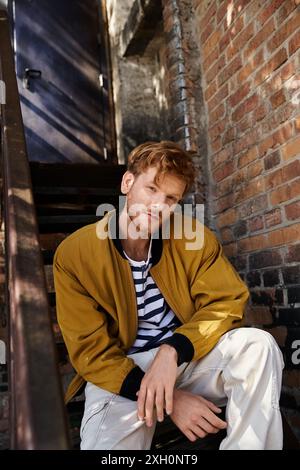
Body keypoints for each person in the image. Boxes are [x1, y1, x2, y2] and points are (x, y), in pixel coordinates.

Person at [53, 140, 284, 450]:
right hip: (120, 375)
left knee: (258, 346)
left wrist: (172, 351)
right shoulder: (75, 254)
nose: (158, 206)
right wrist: (172, 401)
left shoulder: (194, 238)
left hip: (185, 359)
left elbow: (225, 301)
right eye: (151, 189)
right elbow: (90, 352)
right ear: (127, 182)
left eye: (171, 198)